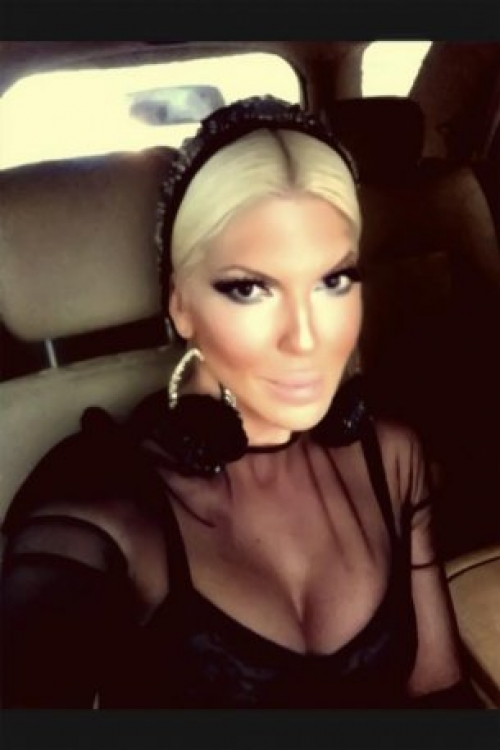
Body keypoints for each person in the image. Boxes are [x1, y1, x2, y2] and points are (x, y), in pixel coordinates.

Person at [0, 96, 483, 709]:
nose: (305, 338)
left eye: (334, 280)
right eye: (250, 288)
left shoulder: (390, 457)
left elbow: (439, 696)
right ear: (179, 304)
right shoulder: (100, 506)